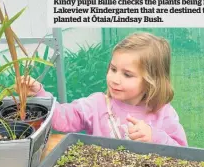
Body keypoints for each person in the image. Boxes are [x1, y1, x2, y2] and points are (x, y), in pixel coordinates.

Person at [21, 32, 188, 147]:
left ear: (151, 81)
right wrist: (39, 94)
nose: (115, 79)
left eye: (127, 74)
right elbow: (62, 118)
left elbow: (184, 153)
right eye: (113, 69)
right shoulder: (97, 104)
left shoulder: (163, 113)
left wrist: (155, 137)